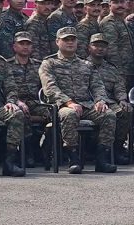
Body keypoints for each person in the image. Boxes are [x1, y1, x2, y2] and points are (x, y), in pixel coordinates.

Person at [40, 27, 116, 173]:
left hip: (86, 105)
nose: (70, 42)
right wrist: (68, 102)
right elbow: (50, 88)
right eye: (66, 40)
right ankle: (73, 158)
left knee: (109, 115)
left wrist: (101, 100)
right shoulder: (49, 63)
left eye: (72, 39)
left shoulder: (86, 65)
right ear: (57, 42)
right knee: (70, 114)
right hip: (60, 106)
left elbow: (98, 86)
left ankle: (102, 159)